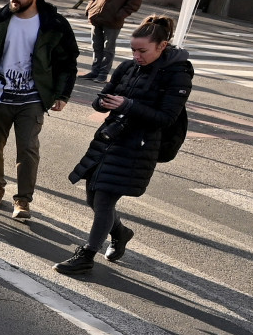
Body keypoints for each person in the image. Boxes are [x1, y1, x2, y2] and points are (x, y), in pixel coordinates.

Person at [58, 15, 193, 278]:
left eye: (143, 51)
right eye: (133, 50)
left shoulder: (178, 74)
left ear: (162, 46)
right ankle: (120, 232)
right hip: (109, 137)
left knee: (105, 198)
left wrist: (128, 105)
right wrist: (102, 103)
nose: (136, 56)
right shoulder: (127, 67)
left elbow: (167, 118)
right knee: (94, 198)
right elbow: (104, 96)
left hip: (139, 146)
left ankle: (86, 256)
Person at [0, 0, 77, 221]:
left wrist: (62, 94)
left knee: (28, 149)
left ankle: (22, 200)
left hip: (32, 99)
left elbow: (68, 63)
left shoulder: (54, 24)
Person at [82, 0, 144, 82]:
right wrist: (90, 8)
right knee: (96, 45)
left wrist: (119, 15)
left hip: (113, 20)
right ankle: (95, 71)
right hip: (97, 16)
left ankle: (103, 73)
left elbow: (134, 3)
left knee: (108, 48)